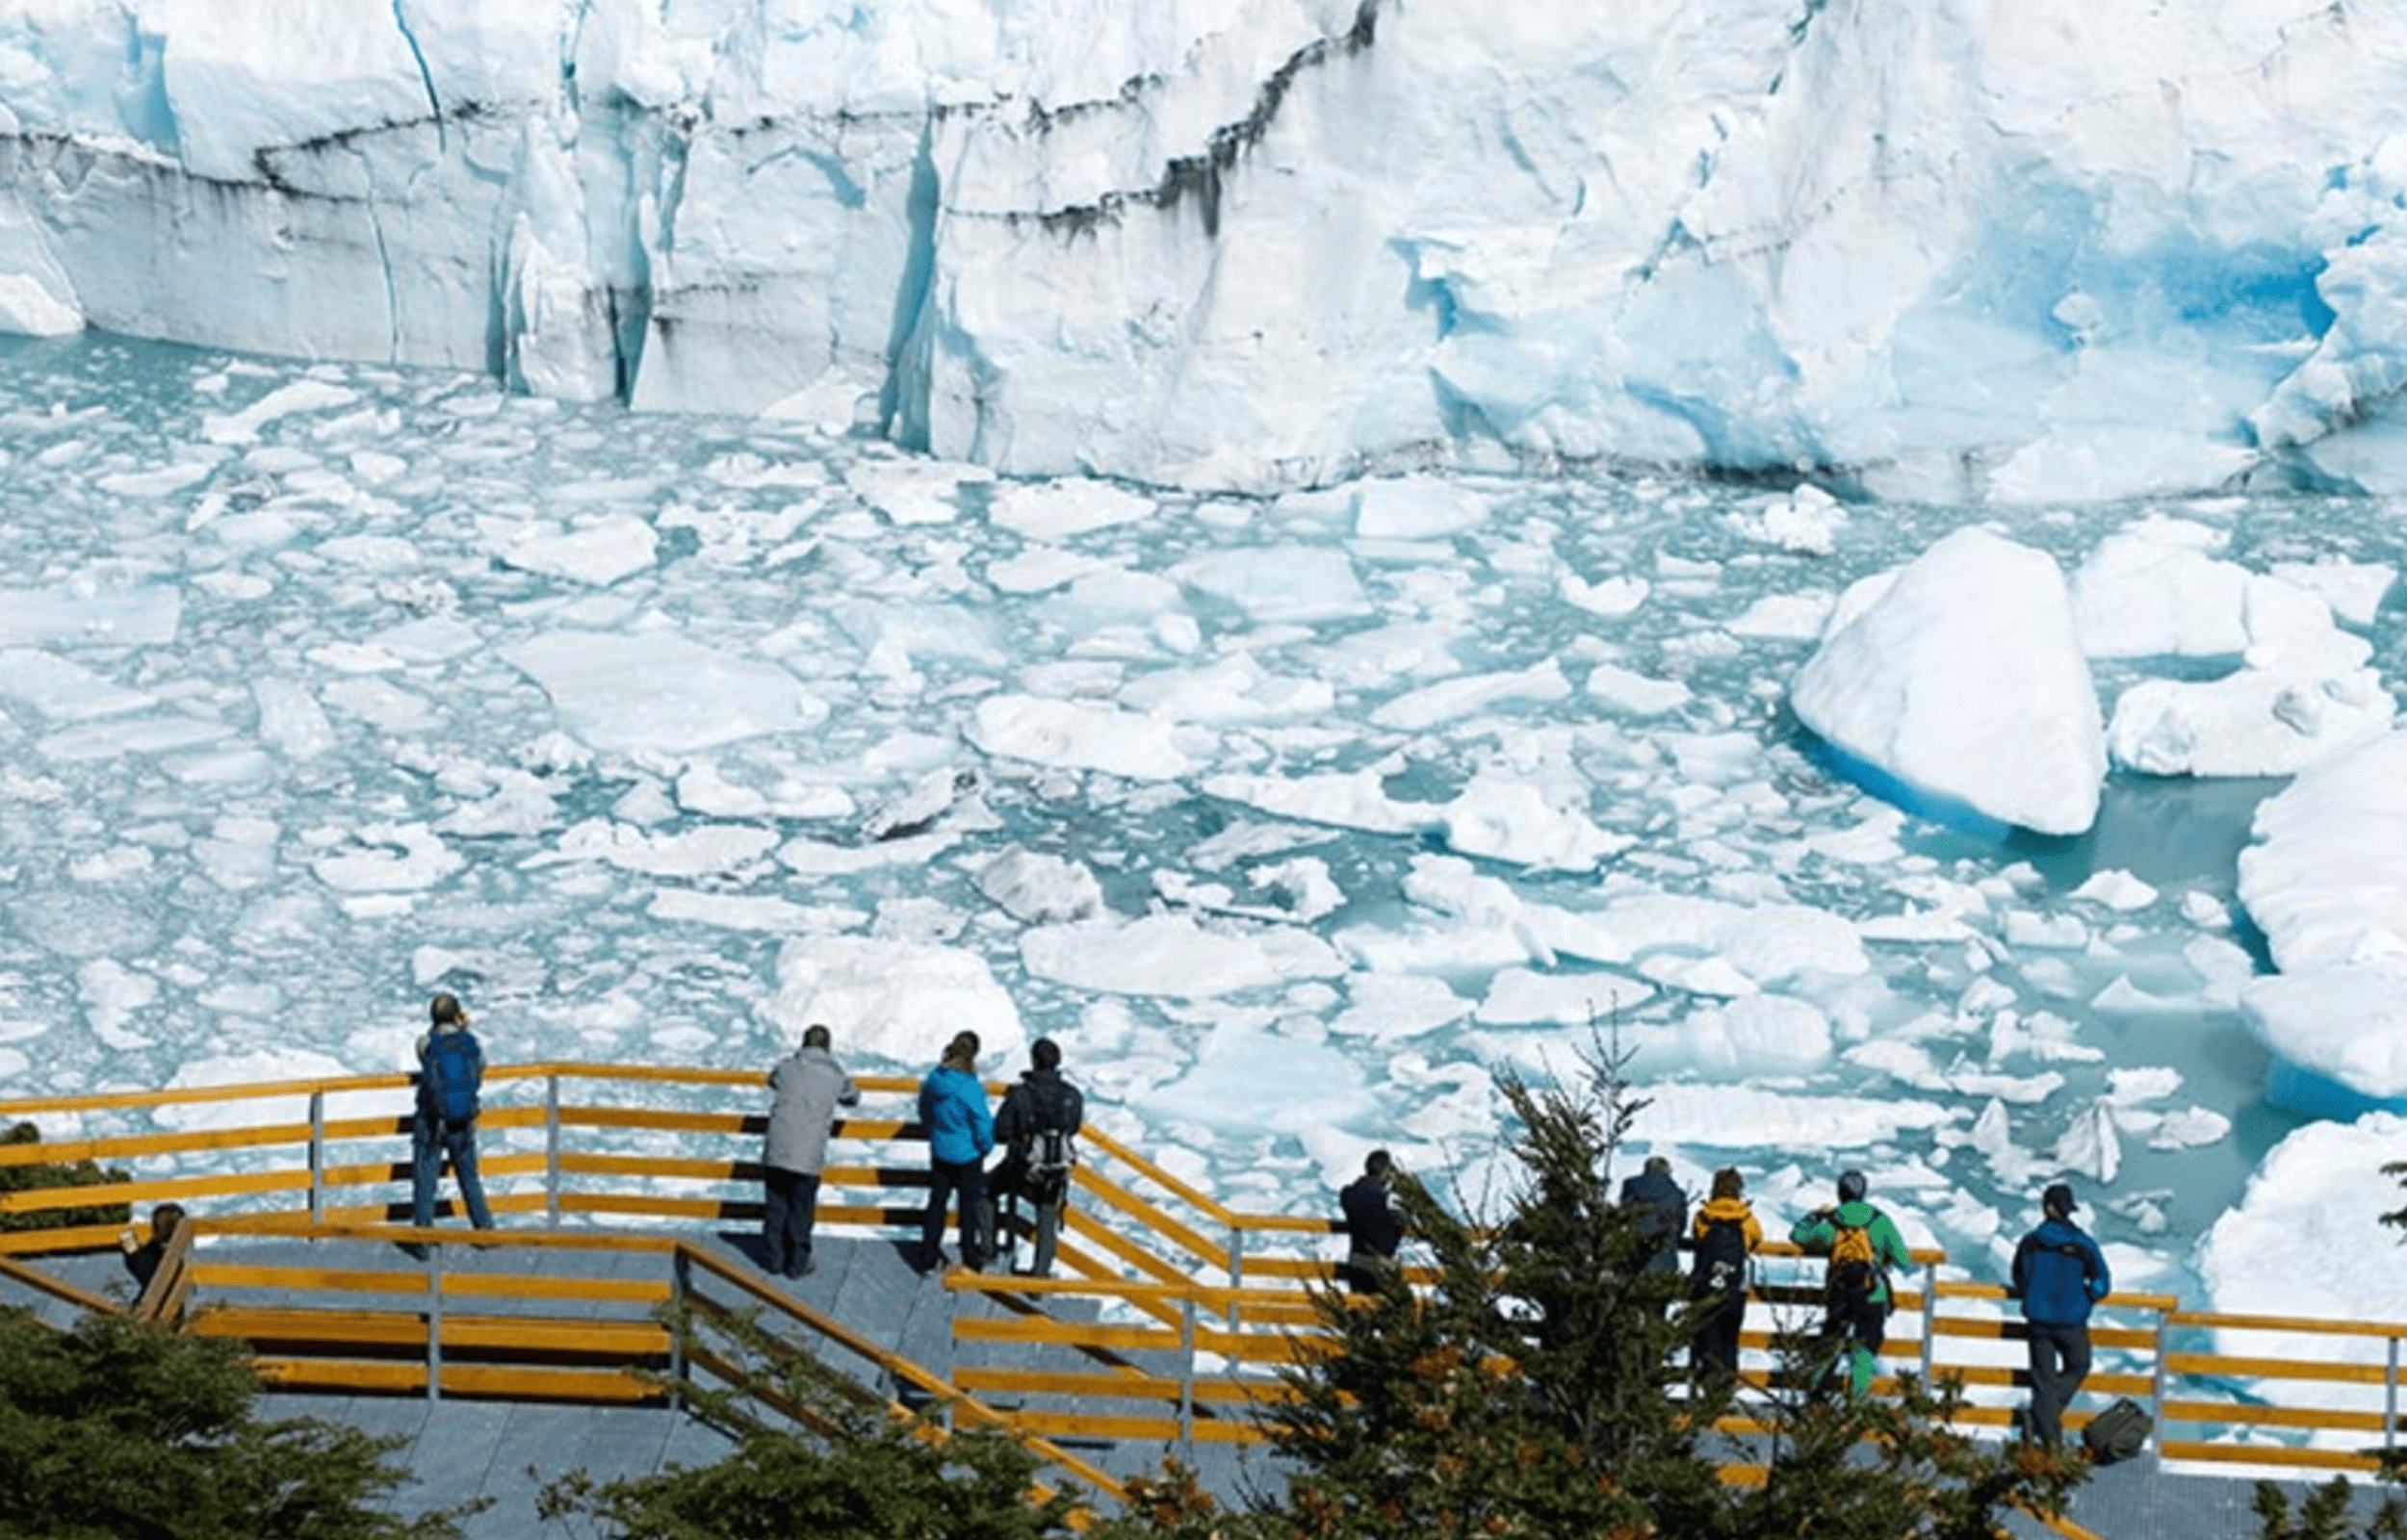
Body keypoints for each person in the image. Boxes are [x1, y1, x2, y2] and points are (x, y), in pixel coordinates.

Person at [1789, 1168, 1911, 1399]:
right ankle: (1856, 1405)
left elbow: (1798, 1235)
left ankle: (1815, 1401)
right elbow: (1904, 1260)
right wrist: (1881, 1256)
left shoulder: (1832, 1223)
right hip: (1872, 1294)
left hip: (1840, 1293)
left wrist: (1815, 1216)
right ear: (1864, 1192)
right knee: (1863, 1351)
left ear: (1840, 1193)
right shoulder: (1879, 1220)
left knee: (1829, 1346)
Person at [2008, 1181, 2112, 1450]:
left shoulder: (2031, 1243)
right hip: (2071, 1322)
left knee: (2043, 1381)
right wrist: (2087, 1296)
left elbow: (2020, 1277)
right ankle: (2046, 1430)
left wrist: (2032, 1294)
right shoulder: (2083, 1244)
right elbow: (2102, 1282)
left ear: (2046, 1209)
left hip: (2038, 1322)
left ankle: (2045, 1431)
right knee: (2079, 1366)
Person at [762, 1024, 860, 1280]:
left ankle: (774, 1260)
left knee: (776, 1205)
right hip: (807, 1153)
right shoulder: (835, 1076)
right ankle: (797, 1263)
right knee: (801, 1209)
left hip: (777, 1149)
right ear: (828, 1047)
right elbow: (852, 1097)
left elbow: (773, 1079)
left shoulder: (786, 1067)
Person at [991, 1037, 1085, 1277]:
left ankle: (989, 1250)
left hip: (1022, 1169)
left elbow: (1000, 1133)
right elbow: (1073, 1128)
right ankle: (1040, 1276)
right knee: (1047, 1216)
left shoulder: (1020, 1095)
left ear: (1033, 1061)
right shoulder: (1073, 1095)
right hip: (1055, 1171)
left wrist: (1020, 1141)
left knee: (984, 1190)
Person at [411, 991, 493, 1238]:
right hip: (463, 1119)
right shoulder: (470, 1043)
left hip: (432, 1121)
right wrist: (465, 1028)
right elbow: (481, 1066)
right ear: (457, 1014)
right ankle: (485, 1232)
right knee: (469, 1177)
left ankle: (423, 1238)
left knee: (426, 1180)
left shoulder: (426, 1043)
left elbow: (424, 1056)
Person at [917, 1031, 993, 1272]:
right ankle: (970, 1255)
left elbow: (924, 1108)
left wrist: (933, 1131)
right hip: (967, 1155)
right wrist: (985, 1146)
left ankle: (929, 1253)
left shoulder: (934, 1079)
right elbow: (982, 1122)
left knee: (937, 1202)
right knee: (968, 1206)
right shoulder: (970, 1087)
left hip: (940, 1150)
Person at [1688, 1168, 1762, 1382]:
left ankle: (1705, 1389)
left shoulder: (1704, 1216)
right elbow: (1756, 1238)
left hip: (1707, 1288)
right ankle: (1726, 1390)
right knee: (1730, 1341)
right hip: (1734, 1289)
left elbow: (1698, 1238)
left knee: (1707, 1340)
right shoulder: (1746, 1218)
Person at [1338, 1150, 1404, 1294]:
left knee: (1359, 1309)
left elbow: (1348, 1196)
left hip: (1357, 1260)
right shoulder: (1389, 1199)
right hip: (1384, 1263)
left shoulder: (1350, 1194)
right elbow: (1400, 1222)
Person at [1619, 1153, 1688, 1283]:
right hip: (1665, 1262)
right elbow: (1680, 1227)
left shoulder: (1630, 1187)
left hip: (1634, 1259)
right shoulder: (1677, 1195)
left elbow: (1623, 1217)